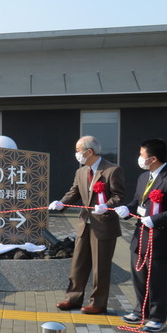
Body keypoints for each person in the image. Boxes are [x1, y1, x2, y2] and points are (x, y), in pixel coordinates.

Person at [114, 139, 167, 332]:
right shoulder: (144, 177)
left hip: (160, 240)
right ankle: (140, 311)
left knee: (158, 281)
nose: (139, 158)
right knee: (139, 277)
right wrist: (126, 210)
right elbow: (138, 201)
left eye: (141, 154)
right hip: (140, 237)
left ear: (153, 158)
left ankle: (157, 317)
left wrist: (157, 219)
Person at [48, 135, 124, 315]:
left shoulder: (112, 170)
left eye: (78, 150)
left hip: (104, 225)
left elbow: (119, 196)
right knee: (78, 264)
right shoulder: (81, 172)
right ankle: (73, 299)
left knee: (100, 267)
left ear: (89, 152)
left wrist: (107, 206)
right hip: (85, 224)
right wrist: (61, 204)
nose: (76, 154)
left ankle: (98, 303)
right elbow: (74, 192)